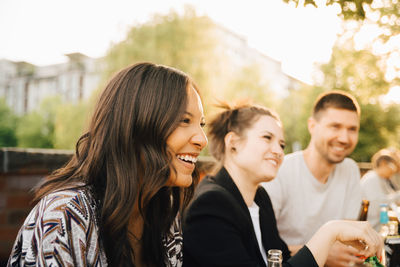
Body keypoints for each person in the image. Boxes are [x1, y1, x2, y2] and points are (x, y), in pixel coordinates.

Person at [7, 62, 208, 266]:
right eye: (184, 120)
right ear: (136, 125)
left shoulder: (164, 212)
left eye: (201, 124)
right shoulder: (65, 216)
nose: (202, 139)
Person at [183, 103, 382, 267]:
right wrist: (330, 232)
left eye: (281, 145)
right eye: (267, 138)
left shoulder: (259, 198)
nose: (278, 151)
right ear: (233, 142)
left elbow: (285, 258)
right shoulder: (211, 204)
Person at [263, 90, 364, 267]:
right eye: (335, 126)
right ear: (312, 126)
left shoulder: (350, 170)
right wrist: (323, 252)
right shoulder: (278, 171)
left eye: (352, 129)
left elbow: (347, 242)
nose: (344, 138)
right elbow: (262, 246)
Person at [361, 148, 400, 230]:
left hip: (380, 227)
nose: (394, 170)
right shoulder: (371, 179)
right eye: (393, 166)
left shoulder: (383, 180)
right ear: (383, 163)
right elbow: (379, 204)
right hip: (372, 227)